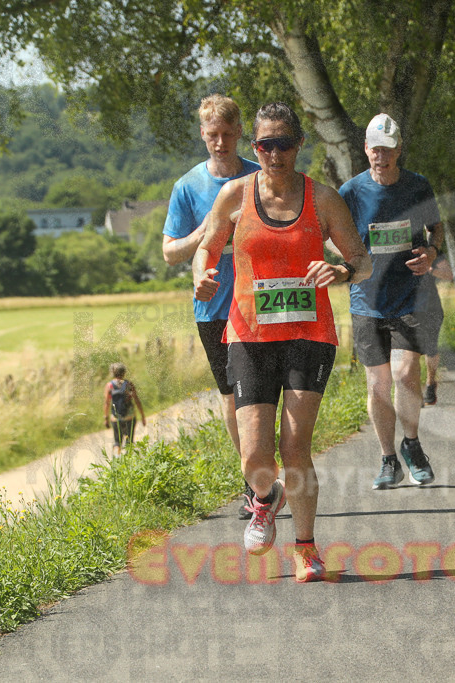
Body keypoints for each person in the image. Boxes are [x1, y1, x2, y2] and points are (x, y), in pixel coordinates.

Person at [193, 102, 371, 582]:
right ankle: (265, 497)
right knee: (255, 456)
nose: (275, 154)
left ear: (299, 145)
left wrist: (341, 270)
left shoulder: (322, 199)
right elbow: (207, 247)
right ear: (254, 147)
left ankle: (306, 549)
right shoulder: (234, 196)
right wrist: (201, 277)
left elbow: (362, 260)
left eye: (284, 144)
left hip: (308, 334)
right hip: (250, 336)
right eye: (266, 145)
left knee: (295, 448)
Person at [162, 93, 260, 519]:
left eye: (227, 134)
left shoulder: (259, 177)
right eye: (212, 135)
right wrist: (203, 232)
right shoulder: (187, 187)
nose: (220, 143)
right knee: (232, 396)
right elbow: (170, 252)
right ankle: (253, 481)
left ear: (239, 132)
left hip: (261, 302)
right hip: (214, 308)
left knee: (262, 394)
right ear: (203, 134)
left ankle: (266, 470)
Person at [339, 113, 443, 490]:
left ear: (399, 150)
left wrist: (431, 252)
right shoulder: (351, 192)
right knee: (378, 384)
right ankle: (388, 460)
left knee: (404, 373)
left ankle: (411, 444)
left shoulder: (417, 186)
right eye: (375, 149)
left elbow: (436, 228)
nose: (380, 156)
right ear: (366, 149)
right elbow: (332, 234)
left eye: (387, 149)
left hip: (409, 296)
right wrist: (347, 261)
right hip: (366, 300)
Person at [419, 254, 453, 405]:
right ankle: (414, 391)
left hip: (431, 308)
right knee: (409, 351)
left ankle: (430, 383)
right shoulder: (397, 250)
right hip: (405, 308)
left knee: (430, 348)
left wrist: (430, 269)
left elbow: (449, 274)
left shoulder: (429, 252)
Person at [103, 362, 146, 455]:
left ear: (112, 373)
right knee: (129, 442)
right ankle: (129, 460)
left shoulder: (109, 386)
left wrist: (106, 418)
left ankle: (117, 459)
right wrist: (142, 416)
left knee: (117, 442)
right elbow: (137, 400)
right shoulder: (129, 384)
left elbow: (107, 403)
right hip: (130, 417)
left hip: (116, 418)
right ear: (124, 372)